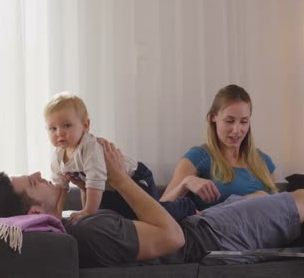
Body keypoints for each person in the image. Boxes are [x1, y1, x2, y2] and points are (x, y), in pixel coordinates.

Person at [0, 139, 304, 267]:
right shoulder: (86, 229)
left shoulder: (72, 227)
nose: (43, 174)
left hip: (208, 226)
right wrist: (119, 177)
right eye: (34, 182)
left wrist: (78, 191)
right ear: (33, 213)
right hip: (208, 238)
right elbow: (171, 235)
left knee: (303, 198)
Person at [43, 91, 195, 221]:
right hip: (110, 188)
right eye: (52, 128)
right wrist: (56, 214)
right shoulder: (58, 157)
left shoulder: (89, 148)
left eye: (67, 125)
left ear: (85, 125)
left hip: (136, 178)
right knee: (112, 216)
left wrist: (88, 211)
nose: (59, 133)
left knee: (150, 216)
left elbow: (95, 182)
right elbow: (60, 188)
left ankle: (186, 205)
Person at [160, 84, 278, 210]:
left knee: (301, 196)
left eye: (244, 121)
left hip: (264, 227)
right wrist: (185, 183)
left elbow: (277, 211)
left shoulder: (264, 162)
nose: (237, 130)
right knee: (261, 197)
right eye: (229, 121)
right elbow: (161, 209)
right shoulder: (198, 157)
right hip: (219, 226)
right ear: (213, 118)